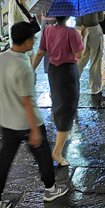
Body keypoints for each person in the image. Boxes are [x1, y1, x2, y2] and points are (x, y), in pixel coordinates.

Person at [0, 22, 69, 208]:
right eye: (32, 38)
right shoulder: (24, 67)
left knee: (4, 162)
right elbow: (27, 102)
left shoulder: (2, 57)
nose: (34, 41)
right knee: (43, 156)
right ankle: (50, 190)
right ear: (24, 42)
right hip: (26, 122)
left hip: (7, 121)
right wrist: (33, 129)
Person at [31, 16, 86, 166]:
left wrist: (31, 69)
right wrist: (83, 37)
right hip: (68, 72)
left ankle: (63, 133)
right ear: (68, 16)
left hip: (53, 71)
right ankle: (57, 152)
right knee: (68, 107)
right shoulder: (71, 32)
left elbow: (40, 52)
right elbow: (79, 54)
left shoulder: (47, 30)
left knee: (58, 103)